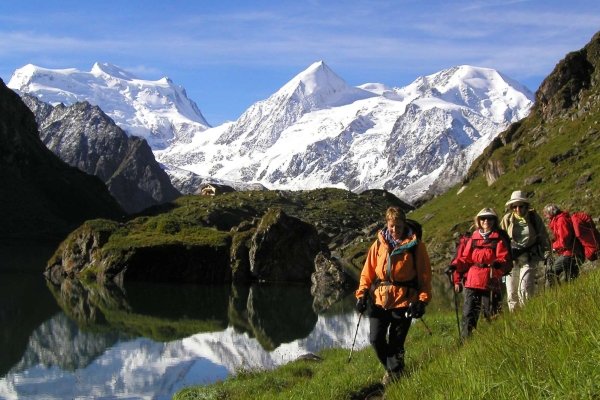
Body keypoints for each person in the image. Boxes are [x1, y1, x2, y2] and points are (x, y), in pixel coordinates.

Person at [355, 206, 432, 385]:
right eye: (391, 226)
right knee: (375, 339)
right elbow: (367, 272)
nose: (395, 230)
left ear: (404, 224)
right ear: (387, 225)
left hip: (404, 300)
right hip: (379, 300)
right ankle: (394, 370)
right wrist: (362, 295)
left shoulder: (416, 245)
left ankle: (394, 377)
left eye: (398, 226)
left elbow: (425, 276)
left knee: (396, 343)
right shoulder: (379, 244)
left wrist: (422, 300)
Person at [450, 208, 512, 339]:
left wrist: (498, 263)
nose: (486, 221)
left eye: (489, 218)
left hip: (491, 280)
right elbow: (466, 259)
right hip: (472, 281)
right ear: (478, 221)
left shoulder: (499, 238)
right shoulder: (473, 238)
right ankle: (466, 341)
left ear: (494, 220)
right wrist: (455, 265)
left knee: (491, 313)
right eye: (483, 218)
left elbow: (504, 258)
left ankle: (494, 339)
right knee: (469, 313)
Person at [500, 190, 550, 312]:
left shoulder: (534, 218)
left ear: (526, 206)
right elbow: (500, 238)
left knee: (525, 289)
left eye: (520, 206)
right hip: (511, 261)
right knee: (511, 292)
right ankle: (515, 318)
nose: (518, 209)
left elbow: (543, 236)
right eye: (514, 206)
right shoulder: (507, 219)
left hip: (530, 258)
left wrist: (547, 253)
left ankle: (527, 314)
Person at [542, 204, 583, 285]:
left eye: (546, 214)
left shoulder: (561, 221)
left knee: (551, 272)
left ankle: (555, 293)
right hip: (573, 253)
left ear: (551, 213)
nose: (545, 216)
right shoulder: (560, 219)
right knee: (571, 279)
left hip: (570, 253)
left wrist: (553, 246)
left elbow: (564, 241)